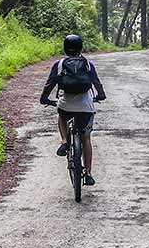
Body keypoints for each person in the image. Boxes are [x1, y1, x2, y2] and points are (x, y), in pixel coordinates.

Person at [39, 33, 106, 185]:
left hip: (66, 105)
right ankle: (88, 174)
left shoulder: (60, 64)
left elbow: (50, 83)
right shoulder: (88, 64)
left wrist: (44, 98)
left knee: (62, 116)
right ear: (81, 47)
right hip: (86, 107)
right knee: (86, 138)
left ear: (65, 48)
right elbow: (96, 83)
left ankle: (64, 141)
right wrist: (101, 96)